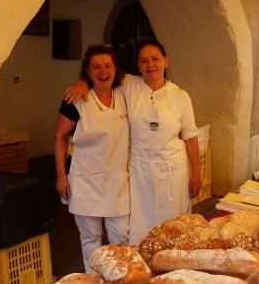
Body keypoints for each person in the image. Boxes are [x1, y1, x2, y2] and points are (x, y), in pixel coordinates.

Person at [65, 39, 202, 246]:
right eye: (144, 61)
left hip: (173, 170)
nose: (150, 65)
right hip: (139, 170)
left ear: (166, 61)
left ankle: (172, 270)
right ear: (138, 66)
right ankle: (143, 272)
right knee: (140, 226)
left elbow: (190, 136)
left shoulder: (180, 96)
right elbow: (102, 76)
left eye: (155, 59)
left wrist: (197, 173)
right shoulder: (129, 85)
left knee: (173, 226)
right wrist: (82, 84)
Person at [55, 44, 129, 271]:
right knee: (91, 238)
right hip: (85, 180)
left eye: (108, 66)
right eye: (96, 67)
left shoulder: (125, 94)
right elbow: (60, 138)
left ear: (116, 69)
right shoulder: (75, 101)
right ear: (87, 71)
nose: (103, 71)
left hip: (118, 181)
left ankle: (121, 282)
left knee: (121, 237)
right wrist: (61, 177)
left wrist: (83, 82)